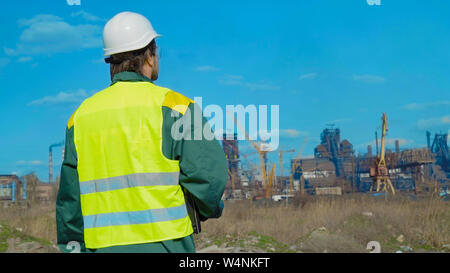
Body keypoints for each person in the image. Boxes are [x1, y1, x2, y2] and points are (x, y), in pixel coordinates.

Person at [56, 11, 227, 253]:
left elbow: (70, 204)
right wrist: (208, 210)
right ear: (149, 56)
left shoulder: (80, 117)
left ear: (111, 61)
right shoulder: (176, 107)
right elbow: (209, 179)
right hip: (167, 245)